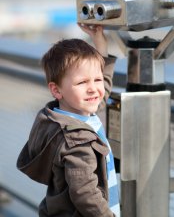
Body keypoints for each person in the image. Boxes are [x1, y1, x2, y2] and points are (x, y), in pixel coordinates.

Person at [16, 24, 120, 217]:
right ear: (56, 90)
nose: (93, 89)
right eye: (82, 82)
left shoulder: (61, 115)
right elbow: (85, 194)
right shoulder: (76, 141)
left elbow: (101, 89)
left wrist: (100, 42)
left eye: (96, 80)